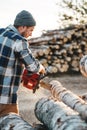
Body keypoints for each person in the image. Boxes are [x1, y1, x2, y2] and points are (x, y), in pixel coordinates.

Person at [0, 10, 45, 117]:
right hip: (5, 99)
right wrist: (41, 68)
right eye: (30, 30)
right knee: (10, 124)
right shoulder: (19, 41)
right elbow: (33, 67)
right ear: (23, 27)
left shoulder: (1, 32)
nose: (31, 34)